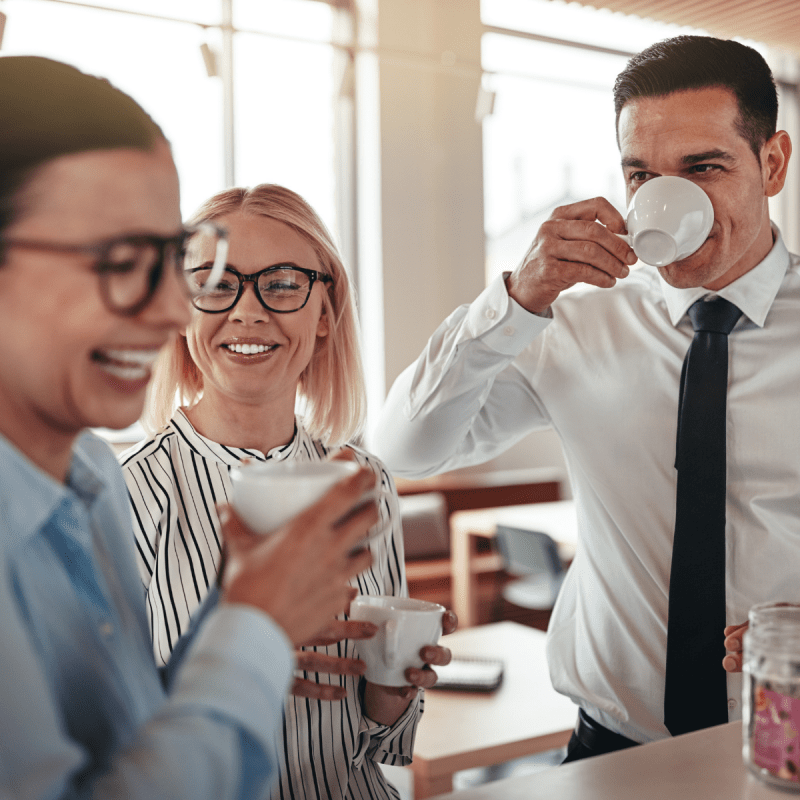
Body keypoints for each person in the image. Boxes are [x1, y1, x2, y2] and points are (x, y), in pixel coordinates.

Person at [371, 35, 798, 759]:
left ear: (773, 163)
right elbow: (405, 447)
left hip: (784, 746)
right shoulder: (570, 319)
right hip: (609, 751)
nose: (668, 198)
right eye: (643, 175)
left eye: (704, 167)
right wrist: (513, 299)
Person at [0, 55, 379, 798]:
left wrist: (232, 614)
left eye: (171, 261)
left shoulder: (93, 482)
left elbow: (130, 739)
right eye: (121, 260)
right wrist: (256, 629)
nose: (176, 311)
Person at [120, 183, 456, 800]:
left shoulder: (367, 481)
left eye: (280, 284)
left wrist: (393, 685)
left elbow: (385, 744)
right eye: (217, 284)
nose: (247, 312)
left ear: (324, 313)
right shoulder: (127, 495)